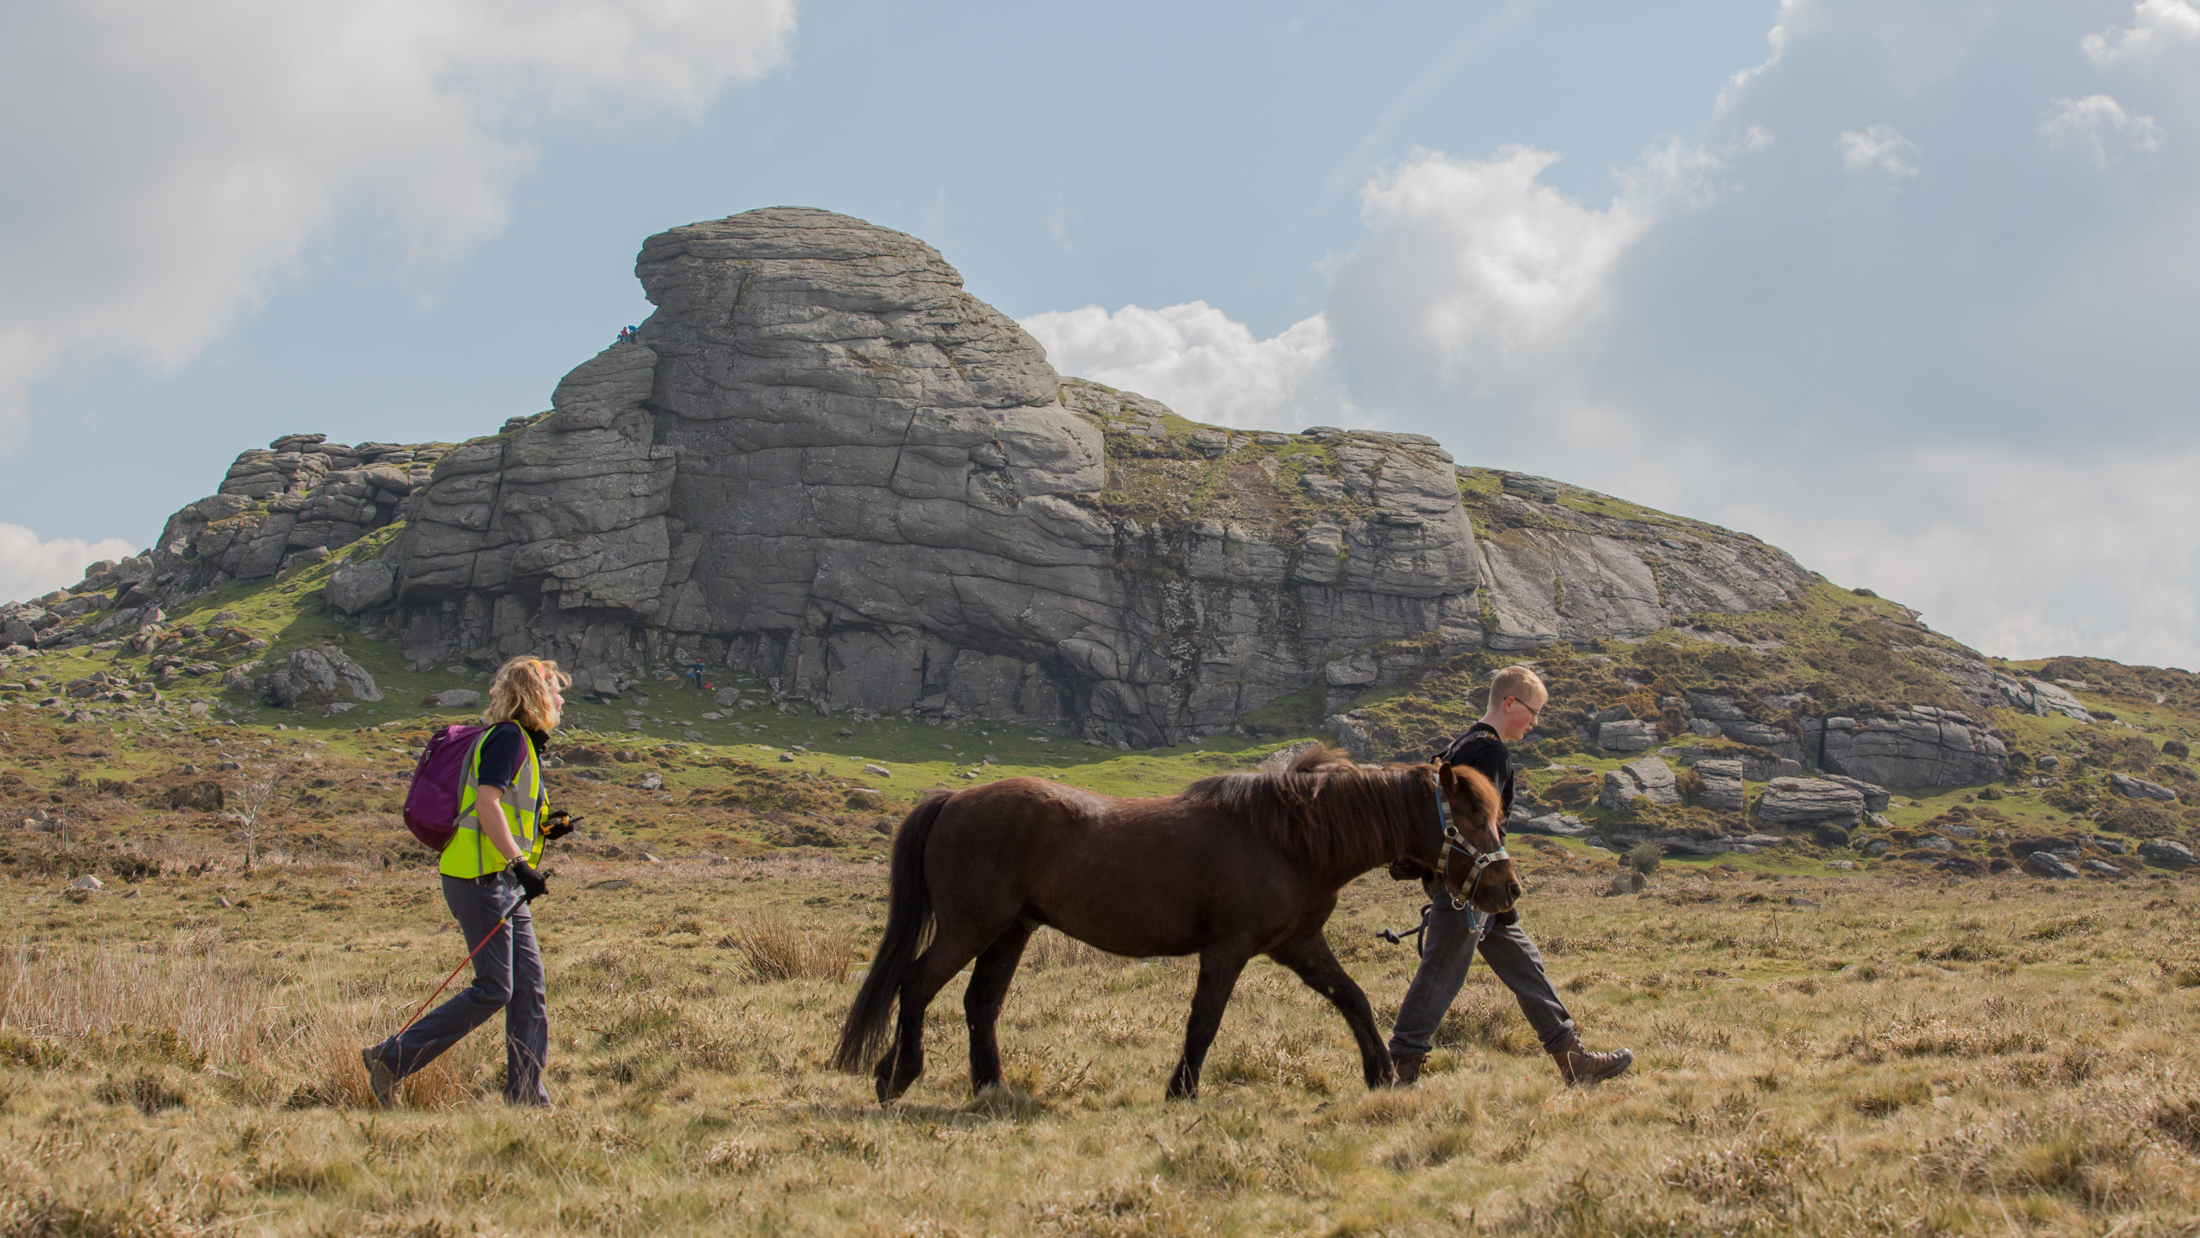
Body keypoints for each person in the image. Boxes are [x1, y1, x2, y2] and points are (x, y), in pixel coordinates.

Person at [1387, 665, 1634, 1086]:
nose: (1535, 722)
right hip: (1469, 885)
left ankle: (1573, 1059)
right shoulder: (1491, 753)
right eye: (1534, 711)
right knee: (1442, 971)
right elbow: (1485, 827)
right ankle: (1396, 1069)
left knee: (1524, 963)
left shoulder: (1462, 743)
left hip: (1460, 880)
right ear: (1509, 703)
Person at [363, 656, 577, 1107]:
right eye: (555, 691)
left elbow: (509, 811)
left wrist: (546, 829)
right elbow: (485, 804)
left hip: (500, 882)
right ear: (536, 697)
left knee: (529, 993)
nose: (561, 700)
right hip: (478, 879)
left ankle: (526, 1099)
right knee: (495, 989)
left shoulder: (524, 746)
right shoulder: (507, 739)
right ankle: (391, 1059)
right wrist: (520, 863)